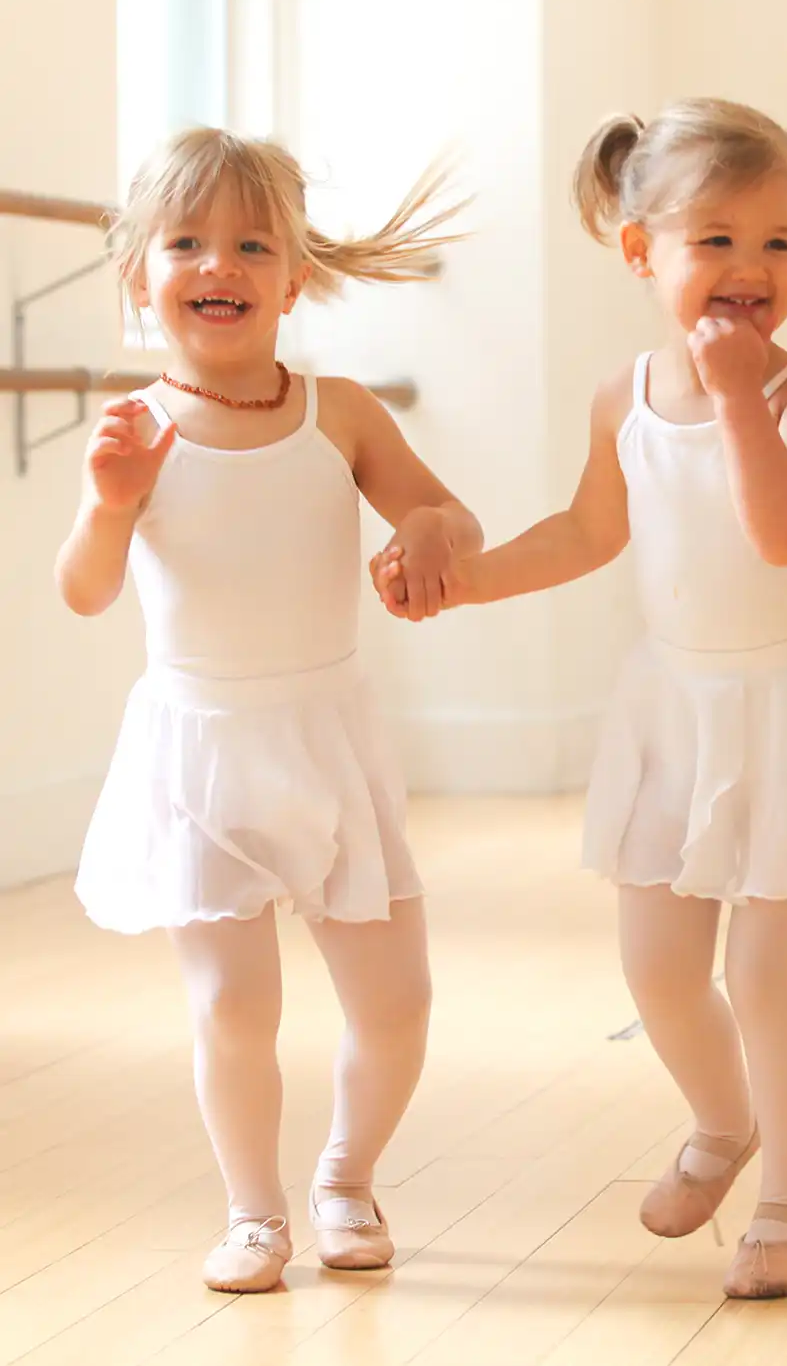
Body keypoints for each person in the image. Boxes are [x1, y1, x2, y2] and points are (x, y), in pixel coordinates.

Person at [372, 98, 787, 1298]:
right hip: (676, 710)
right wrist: (464, 583)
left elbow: (782, 537)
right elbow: (585, 530)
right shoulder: (623, 396)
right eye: (715, 239)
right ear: (640, 249)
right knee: (659, 969)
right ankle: (725, 1121)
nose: (752, 269)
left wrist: (732, 401)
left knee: (769, 974)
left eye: (780, 242)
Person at [55, 126, 481, 1294]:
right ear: (140, 274)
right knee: (234, 1005)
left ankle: (346, 1175)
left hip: (326, 740)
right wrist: (107, 505)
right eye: (186, 241)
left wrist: (434, 535)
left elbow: (443, 512)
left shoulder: (339, 413)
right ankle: (255, 1212)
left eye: (251, 241)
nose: (219, 262)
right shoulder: (138, 430)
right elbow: (85, 591)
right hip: (198, 754)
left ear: (296, 275)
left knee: (397, 1001)